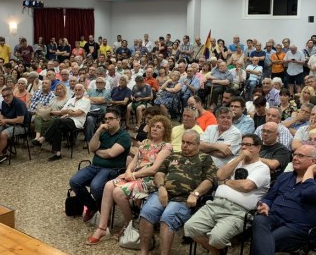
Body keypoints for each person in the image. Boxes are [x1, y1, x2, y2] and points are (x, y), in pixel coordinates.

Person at [87, 114, 172, 244]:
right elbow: (134, 162)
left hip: (150, 179)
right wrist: (127, 171)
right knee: (109, 185)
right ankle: (102, 227)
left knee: (118, 192)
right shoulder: (145, 143)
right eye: (153, 126)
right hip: (134, 175)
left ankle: (128, 222)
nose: (154, 129)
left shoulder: (166, 147)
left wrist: (132, 175)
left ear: (165, 130)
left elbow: (154, 169)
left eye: (159, 127)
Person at [184, 133, 271, 254]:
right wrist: (240, 158)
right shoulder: (235, 161)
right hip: (216, 204)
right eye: (242, 144)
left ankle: (216, 248)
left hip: (238, 211)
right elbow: (219, 175)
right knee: (189, 228)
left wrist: (226, 182)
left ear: (258, 148)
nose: (244, 148)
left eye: (249, 145)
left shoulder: (262, 168)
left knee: (217, 238)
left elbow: (246, 186)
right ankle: (217, 252)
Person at [139, 130, 218, 255]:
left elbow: (209, 181)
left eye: (189, 143)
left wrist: (195, 194)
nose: (185, 145)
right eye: (183, 142)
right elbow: (159, 173)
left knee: (167, 218)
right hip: (164, 193)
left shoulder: (205, 159)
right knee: (146, 213)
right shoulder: (173, 156)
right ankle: (144, 252)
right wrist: (160, 187)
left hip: (184, 198)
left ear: (198, 144)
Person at [250, 145, 316, 255]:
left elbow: (309, 193)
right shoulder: (285, 177)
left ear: (313, 161)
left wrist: (310, 171)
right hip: (274, 217)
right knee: (259, 220)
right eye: (294, 155)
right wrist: (266, 205)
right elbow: (270, 197)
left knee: (264, 239)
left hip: (298, 227)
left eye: (300, 156)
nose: (294, 158)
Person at [71, 108, 131, 229]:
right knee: (74, 181)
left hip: (111, 169)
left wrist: (97, 151)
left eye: (110, 119)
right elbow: (91, 147)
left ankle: (105, 213)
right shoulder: (103, 132)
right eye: (106, 119)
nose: (107, 121)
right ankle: (93, 207)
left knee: (96, 187)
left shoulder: (124, 136)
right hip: (95, 166)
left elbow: (111, 154)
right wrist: (98, 131)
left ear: (118, 120)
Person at [33, 84, 91, 161]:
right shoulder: (71, 100)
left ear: (83, 91)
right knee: (57, 128)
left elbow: (78, 113)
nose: (77, 92)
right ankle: (58, 154)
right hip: (65, 120)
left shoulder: (86, 101)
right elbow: (62, 111)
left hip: (76, 122)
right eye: (76, 90)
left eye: (79, 90)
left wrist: (68, 112)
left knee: (57, 121)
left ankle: (43, 138)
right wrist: (69, 111)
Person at [0, 87, 27, 165]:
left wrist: (5, 120)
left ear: (12, 94)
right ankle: (2, 154)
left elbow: (20, 120)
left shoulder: (19, 103)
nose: (6, 98)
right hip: (8, 123)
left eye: (8, 95)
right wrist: (2, 119)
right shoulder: (3, 103)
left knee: (3, 134)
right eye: (4, 96)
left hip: (21, 126)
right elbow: (2, 114)